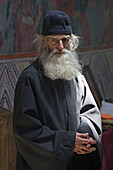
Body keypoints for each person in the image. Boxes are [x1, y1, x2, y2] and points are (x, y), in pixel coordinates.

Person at [13, 10, 103, 170]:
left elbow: (90, 113)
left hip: (75, 161)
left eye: (65, 40)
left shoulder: (76, 77)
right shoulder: (30, 79)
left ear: (72, 42)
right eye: (54, 40)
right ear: (43, 42)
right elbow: (25, 132)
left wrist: (83, 136)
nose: (60, 47)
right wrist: (67, 142)